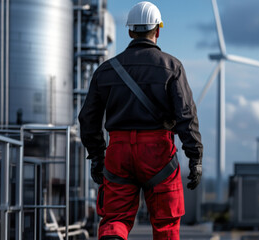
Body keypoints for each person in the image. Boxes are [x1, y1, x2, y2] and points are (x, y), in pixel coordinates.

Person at [78, 1, 203, 240]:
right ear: (158, 30)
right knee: (166, 222)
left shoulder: (105, 70)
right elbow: (186, 115)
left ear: (129, 32)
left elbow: (88, 118)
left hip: (118, 151)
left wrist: (96, 156)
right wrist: (195, 156)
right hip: (158, 153)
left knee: (115, 218)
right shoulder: (172, 66)